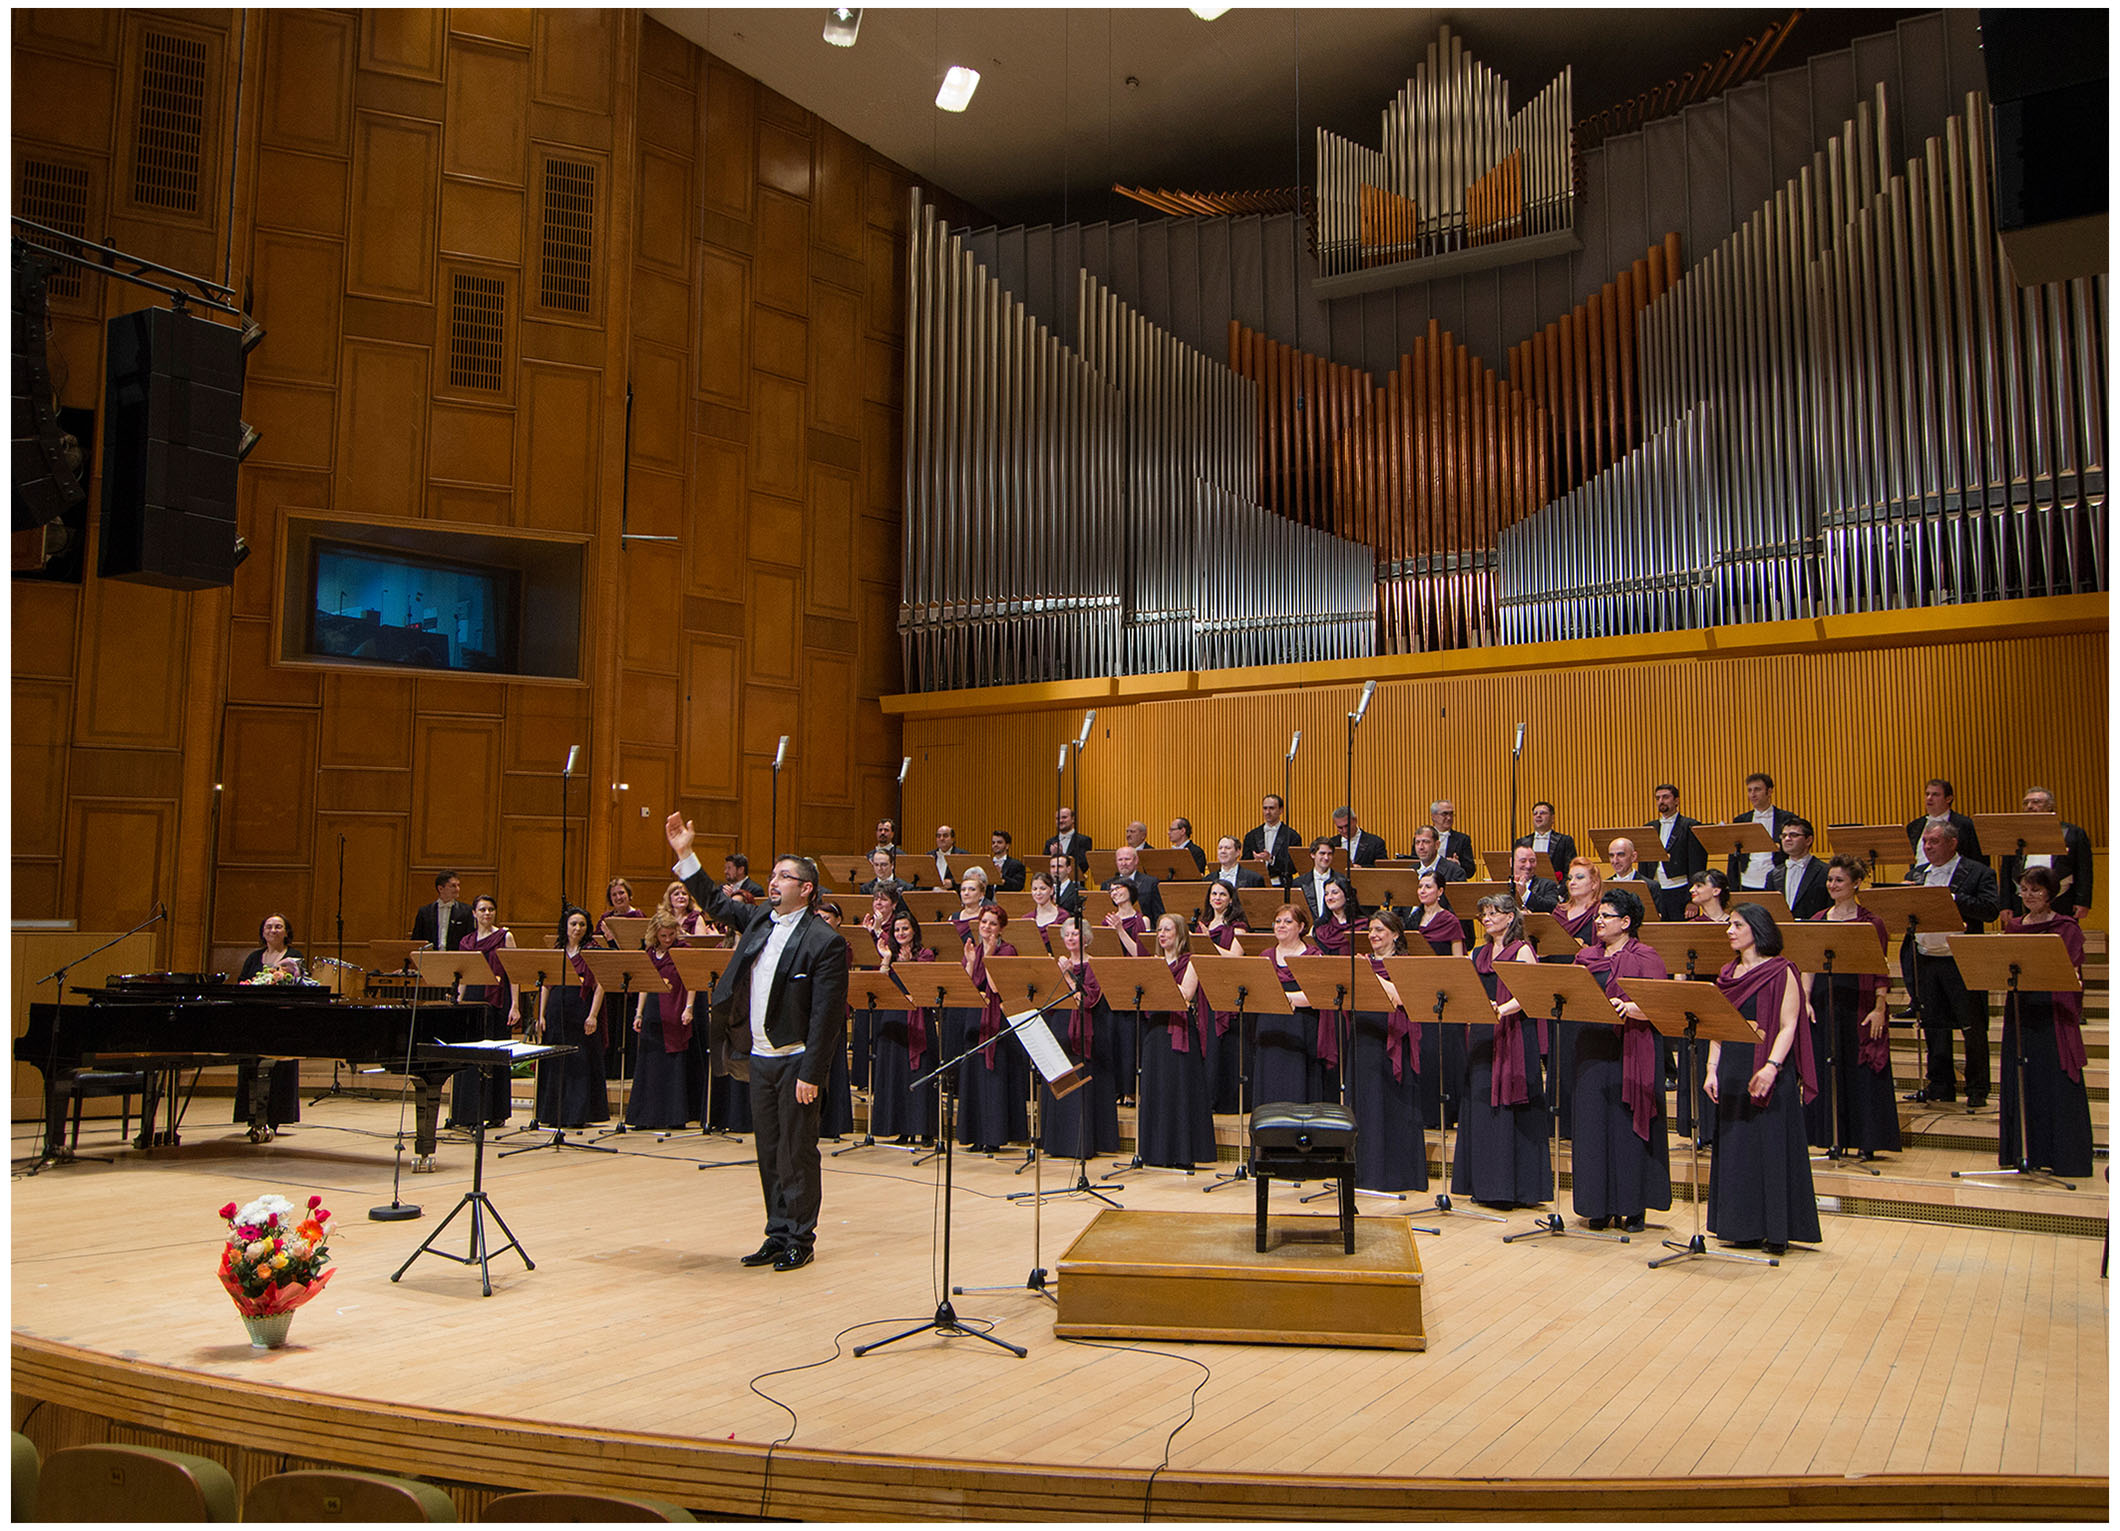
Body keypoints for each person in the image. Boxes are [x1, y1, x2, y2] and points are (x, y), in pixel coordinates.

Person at [669, 815, 850, 1272]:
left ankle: (800, 1238)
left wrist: (813, 1072)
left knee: (797, 1152)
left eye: (783, 877)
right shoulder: (759, 921)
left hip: (795, 1062)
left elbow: (827, 1018)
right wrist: (685, 854)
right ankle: (776, 1232)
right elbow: (713, 900)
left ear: (806, 889)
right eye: (772, 875)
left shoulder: (825, 942)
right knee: (768, 1149)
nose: (772, 882)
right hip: (760, 1057)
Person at [1706, 903, 1821, 1255]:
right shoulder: (1727, 972)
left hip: (1769, 1070)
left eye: (1736, 925)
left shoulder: (1782, 970)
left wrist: (1771, 1067)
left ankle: (1775, 1229)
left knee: (1769, 1148)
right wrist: (1712, 1069)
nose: (1729, 931)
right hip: (1733, 1069)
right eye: (1729, 924)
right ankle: (1741, 1227)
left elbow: (1789, 1025)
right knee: (1737, 1149)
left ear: (1756, 929)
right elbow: (1716, 1027)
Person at [1570, 889, 1671, 1232]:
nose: (1598, 921)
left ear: (1626, 923)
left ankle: (1633, 1208)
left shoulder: (1646, 956)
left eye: (1606, 916)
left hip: (1632, 1049)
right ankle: (1597, 1206)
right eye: (1598, 915)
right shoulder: (1586, 957)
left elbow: (1659, 1005)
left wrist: (1629, 1009)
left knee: (1627, 1127)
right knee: (1593, 1128)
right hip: (1592, 1049)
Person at [1455, 894, 1552, 1209]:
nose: (1487, 918)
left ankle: (1516, 1188)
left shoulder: (1523, 950)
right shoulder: (1478, 951)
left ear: (1511, 917)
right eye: (1484, 913)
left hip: (1514, 1034)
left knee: (1513, 1106)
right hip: (1483, 1033)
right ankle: (1485, 1185)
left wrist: (1502, 1009)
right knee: (1482, 1106)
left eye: (1493, 912)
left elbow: (1531, 991)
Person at [1996, 867, 2094, 1176]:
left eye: (2035, 890)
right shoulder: (2013, 927)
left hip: (2053, 1013)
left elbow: (2070, 972)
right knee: (2024, 1079)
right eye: (2024, 889)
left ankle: (2064, 1156)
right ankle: (2026, 1155)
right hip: (2022, 1012)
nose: (2028, 896)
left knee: (2056, 1082)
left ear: (2051, 894)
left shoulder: (2067, 928)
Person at [1901, 821, 2003, 1107]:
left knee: (1972, 1026)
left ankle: (1977, 1087)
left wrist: (1954, 899)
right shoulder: (1917, 875)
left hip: (1961, 959)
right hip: (1926, 958)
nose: (1928, 847)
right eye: (1925, 842)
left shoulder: (1978, 872)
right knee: (1934, 1026)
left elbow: (1990, 910)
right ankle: (1940, 1084)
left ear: (1952, 843)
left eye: (1934, 842)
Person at [1804, 856, 1899, 1161]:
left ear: (1856, 883)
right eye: (1830, 879)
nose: (1832, 885)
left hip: (1859, 1003)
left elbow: (1880, 969)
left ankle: (1864, 1139)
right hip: (1823, 1000)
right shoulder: (1818, 919)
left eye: (1839, 880)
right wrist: (1804, 999)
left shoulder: (1872, 922)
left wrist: (1880, 1007)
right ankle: (1830, 1137)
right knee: (1826, 1064)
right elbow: (1808, 965)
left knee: (1859, 1068)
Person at [1350, 910, 1428, 1192]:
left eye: (1380, 930)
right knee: (1366, 1105)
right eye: (1370, 929)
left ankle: (1396, 1175)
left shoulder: (1405, 964)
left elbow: (1400, 997)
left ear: (1395, 934)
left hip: (1394, 1040)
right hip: (1364, 1038)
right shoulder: (1362, 963)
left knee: (1392, 1105)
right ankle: (1363, 1173)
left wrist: (1368, 973)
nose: (1373, 935)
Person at [1139, 915, 1218, 1167]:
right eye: (1159, 929)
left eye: (1168, 929)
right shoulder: (1152, 962)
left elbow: (1185, 993)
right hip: (1156, 1031)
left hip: (1181, 1030)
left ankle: (1183, 1152)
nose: (1161, 934)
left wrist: (1157, 977)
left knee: (1180, 1090)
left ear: (1181, 934)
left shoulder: (1191, 962)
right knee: (1157, 1089)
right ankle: (1155, 1152)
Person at [954, 903, 1024, 1154]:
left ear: (1001, 928)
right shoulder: (973, 948)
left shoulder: (1008, 950)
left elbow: (996, 987)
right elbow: (965, 985)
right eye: (984, 922)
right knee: (974, 1075)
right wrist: (972, 961)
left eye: (993, 924)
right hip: (975, 1017)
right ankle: (975, 1134)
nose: (987, 927)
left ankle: (994, 1136)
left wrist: (991, 954)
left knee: (993, 1077)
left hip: (997, 1019)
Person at [1050, 918, 1123, 1160]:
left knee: (1085, 1087)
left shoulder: (1094, 966)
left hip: (1088, 1032)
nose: (1070, 938)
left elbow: (1087, 1000)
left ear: (1087, 939)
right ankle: (1059, 1143)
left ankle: (1085, 1143)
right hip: (1061, 1028)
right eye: (1067, 935)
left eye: (1076, 934)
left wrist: (1068, 975)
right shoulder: (1057, 964)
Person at [448, 895, 519, 1129]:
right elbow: (463, 976)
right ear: (474, 913)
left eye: (491, 909)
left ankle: (495, 1112)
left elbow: (514, 973)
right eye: (482, 909)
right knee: (470, 1056)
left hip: (497, 1002)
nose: (487, 913)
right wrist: (457, 1002)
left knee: (495, 1055)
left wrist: (515, 1005)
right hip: (473, 1002)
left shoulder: (505, 937)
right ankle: (468, 1113)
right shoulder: (467, 941)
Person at [626, 911, 700, 1131]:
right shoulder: (649, 953)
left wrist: (689, 1008)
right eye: (663, 936)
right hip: (653, 1010)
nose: (667, 940)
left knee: (672, 1064)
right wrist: (639, 1013)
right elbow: (644, 986)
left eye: (670, 935)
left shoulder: (683, 951)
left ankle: (673, 1116)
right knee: (649, 1063)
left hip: (674, 1008)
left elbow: (693, 981)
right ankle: (646, 1116)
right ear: (655, 934)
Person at [869, 911, 939, 1145]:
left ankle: (925, 1130)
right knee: (897, 1073)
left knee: (920, 1074)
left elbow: (923, 985)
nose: (900, 934)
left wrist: (908, 963)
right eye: (897, 930)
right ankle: (903, 1129)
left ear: (914, 931)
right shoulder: (891, 953)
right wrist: (886, 959)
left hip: (918, 1018)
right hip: (894, 1018)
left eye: (905, 929)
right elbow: (882, 984)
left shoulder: (925, 954)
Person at [535, 906, 607, 1127]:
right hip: (557, 1010)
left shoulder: (593, 950)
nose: (577, 928)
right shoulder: (557, 949)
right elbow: (547, 985)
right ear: (565, 927)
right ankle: (552, 1114)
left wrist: (593, 1015)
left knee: (579, 1062)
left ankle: (577, 1115)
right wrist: (541, 1015)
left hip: (581, 1009)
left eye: (582, 924)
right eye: (573, 924)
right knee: (555, 1060)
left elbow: (600, 985)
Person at [233, 914, 304, 1131]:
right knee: (251, 1067)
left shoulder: (294, 956)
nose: (273, 930)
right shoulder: (254, 958)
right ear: (262, 932)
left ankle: (274, 1117)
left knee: (279, 1069)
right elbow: (241, 983)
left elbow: (301, 984)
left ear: (286, 932)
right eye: (269, 927)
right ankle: (253, 1116)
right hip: (254, 1020)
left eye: (278, 927)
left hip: (282, 1021)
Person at [1411, 868, 1465, 1127]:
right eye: (1420, 887)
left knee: (1444, 1052)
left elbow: (1458, 961)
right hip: (1418, 990)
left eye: (1428, 887)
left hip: (1443, 993)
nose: (1423, 891)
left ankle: (1449, 1113)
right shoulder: (1412, 919)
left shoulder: (1450, 920)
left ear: (1440, 891)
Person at [1257, 902, 1326, 1104]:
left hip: (1301, 1025)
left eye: (1288, 921)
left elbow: (1317, 994)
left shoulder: (1313, 956)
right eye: (1278, 921)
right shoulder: (1265, 956)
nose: (1281, 925)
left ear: (1302, 927)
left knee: (1297, 1079)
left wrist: (1285, 999)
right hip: (1270, 1027)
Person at [1194, 878, 1249, 1112]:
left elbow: (1235, 958)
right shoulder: (1202, 924)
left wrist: (1207, 942)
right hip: (1204, 987)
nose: (1217, 898)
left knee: (1222, 1043)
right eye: (1213, 894)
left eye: (1222, 894)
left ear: (1230, 899)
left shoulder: (1239, 926)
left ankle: (1224, 1099)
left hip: (1226, 986)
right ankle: (1206, 1098)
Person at [2001, 786, 2094, 919]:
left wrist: (2083, 901)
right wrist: (2005, 904)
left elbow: (2084, 870)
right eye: (2026, 803)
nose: (2030, 806)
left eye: (2036, 802)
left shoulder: (2072, 833)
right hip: (2022, 900)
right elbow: (2006, 871)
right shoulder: (2015, 835)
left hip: (2062, 898)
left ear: (2050, 806)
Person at [1101, 875, 1151, 1094]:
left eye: (1118, 888)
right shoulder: (1106, 921)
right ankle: (1115, 1089)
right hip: (1113, 981)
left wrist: (1120, 931)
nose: (1114, 892)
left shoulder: (1144, 920)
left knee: (1130, 1037)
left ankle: (1131, 1090)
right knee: (1112, 1035)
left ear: (1130, 890)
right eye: (1111, 890)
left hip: (1134, 982)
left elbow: (1140, 954)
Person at [1648, 783, 1709, 923]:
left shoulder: (1690, 826)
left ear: (1676, 800)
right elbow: (1645, 864)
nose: (1661, 801)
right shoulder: (1649, 827)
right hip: (1656, 891)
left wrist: (1692, 900)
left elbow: (1697, 864)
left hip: (1680, 891)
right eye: (1657, 798)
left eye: (1665, 797)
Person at [1729, 772, 1798, 889]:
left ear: (1769, 791)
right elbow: (1733, 857)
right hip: (1747, 880)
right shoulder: (1741, 820)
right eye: (1749, 790)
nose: (1752, 794)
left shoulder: (1787, 818)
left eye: (1757, 790)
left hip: (1776, 879)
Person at [1905, 777, 1984, 865]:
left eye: (1935, 795)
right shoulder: (1913, 826)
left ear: (1948, 799)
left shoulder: (1965, 825)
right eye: (1927, 794)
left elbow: (1977, 859)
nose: (1929, 798)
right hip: (1919, 877)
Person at [1767, 818, 1829, 920]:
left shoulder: (1825, 871)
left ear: (1809, 840)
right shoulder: (1773, 875)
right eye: (1784, 836)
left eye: (1794, 835)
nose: (1787, 839)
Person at [1242, 793, 1302, 885]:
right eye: (1265, 808)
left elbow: (1293, 867)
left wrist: (1271, 859)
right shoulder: (1251, 836)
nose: (1267, 812)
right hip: (1256, 884)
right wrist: (1255, 862)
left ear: (1281, 810)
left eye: (1271, 808)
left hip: (1282, 884)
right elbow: (1244, 863)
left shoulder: (1292, 836)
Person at [411, 869, 475, 954]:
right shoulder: (425, 912)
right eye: (453, 886)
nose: (457, 889)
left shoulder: (466, 911)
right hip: (430, 958)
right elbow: (416, 940)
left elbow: (470, 939)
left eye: (458, 885)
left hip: (455, 958)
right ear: (440, 888)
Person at [1513, 801, 1576, 876]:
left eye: (1543, 813)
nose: (1538, 816)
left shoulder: (1565, 841)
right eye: (1535, 813)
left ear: (1552, 818)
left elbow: (1570, 869)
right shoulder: (1521, 842)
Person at [1424, 800, 1478, 880]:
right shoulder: (1422, 838)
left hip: (1453, 882)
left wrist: (1458, 865)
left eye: (1451, 814)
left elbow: (1470, 871)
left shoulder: (1462, 839)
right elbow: (1415, 863)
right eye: (1444, 814)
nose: (1449, 818)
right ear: (1433, 816)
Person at [1112, 843, 1166, 924]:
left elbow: (1158, 914)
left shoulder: (1150, 883)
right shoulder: (1107, 884)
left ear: (1136, 860)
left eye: (1127, 859)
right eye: (1120, 860)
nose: (1123, 863)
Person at [1507, 844, 1560, 913]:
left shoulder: (1547, 885)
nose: (1528, 866)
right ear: (1511, 862)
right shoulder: (1502, 885)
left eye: (1532, 861)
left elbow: (1552, 907)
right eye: (1523, 861)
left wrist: (1525, 894)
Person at [1299, 838, 1341, 920]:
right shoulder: (1299, 883)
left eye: (1329, 854)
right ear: (1312, 855)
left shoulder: (1341, 880)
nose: (1326, 857)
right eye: (1322, 853)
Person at [1026, 870, 1068, 949]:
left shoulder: (1063, 917)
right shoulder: (1026, 919)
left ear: (1051, 890)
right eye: (1034, 889)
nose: (1038, 893)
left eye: (1042, 889)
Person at [1045, 805, 1091, 870]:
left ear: (1072, 819)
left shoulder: (1084, 840)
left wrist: (1061, 855)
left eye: (1064, 817)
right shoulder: (1050, 842)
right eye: (1057, 818)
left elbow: (1083, 866)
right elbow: (1044, 866)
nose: (1060, 821)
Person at [928, 824, 960, 889]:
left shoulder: (962, 855)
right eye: (938, 836)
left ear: (953, 839)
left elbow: (967, 878)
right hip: (930, 895)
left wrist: (952, 883)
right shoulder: (929, 856)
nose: (941, 838)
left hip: (952, 895)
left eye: (945, 836)